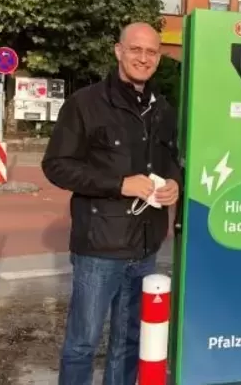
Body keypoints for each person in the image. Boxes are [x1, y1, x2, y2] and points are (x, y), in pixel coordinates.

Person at [42, 22, 181, 385]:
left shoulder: (163, 109)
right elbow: (57, 166)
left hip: (146, 245)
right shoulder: (85, 104)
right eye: (136, 49)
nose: (144, 58)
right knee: (82, 344)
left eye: (152, 52)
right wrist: (120, 184)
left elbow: (171, 161)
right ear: (118, 51)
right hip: (99, 248)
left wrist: (174, 185)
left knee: (128, 342)